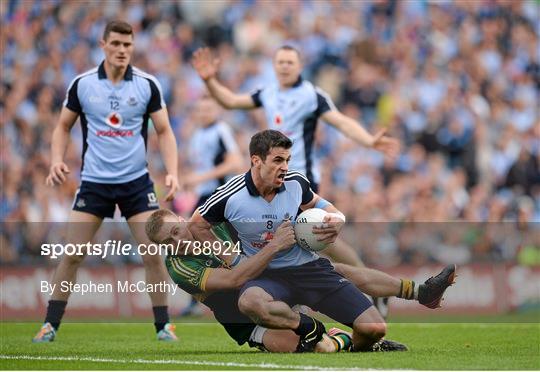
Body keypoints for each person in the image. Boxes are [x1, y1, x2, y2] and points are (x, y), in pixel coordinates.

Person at [192, 45, 399, 316]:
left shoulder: (311, 95)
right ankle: (293, 299)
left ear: (300, 66)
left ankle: (368, 288)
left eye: (290, 62)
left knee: (322, 240)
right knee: (288, 244)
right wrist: (209, 80)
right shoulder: (267, 93)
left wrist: (368, 140)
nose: (284, 66)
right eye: (280, 62)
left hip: (299, 181)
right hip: (269, 180)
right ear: (274, 65)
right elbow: (231, 101)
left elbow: (340, 121)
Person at [190, 130, 404, 352]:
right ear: (256, 160)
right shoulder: (230, 194)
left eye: (287, 160)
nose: (285, 166)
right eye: (278, 160)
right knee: (249, 302)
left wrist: (338, 218)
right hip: (266, 276)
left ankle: (346, 344)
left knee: (375, 328)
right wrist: (233, 260)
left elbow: (322, 205)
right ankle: (310, 327)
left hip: (309, 270)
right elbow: (196, 225)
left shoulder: (296, 182)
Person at [33, 21, 179, 342]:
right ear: (103, 45)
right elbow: (61, 127)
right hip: (95, 183)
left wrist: (172, 171)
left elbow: (165, 131)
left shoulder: (147, 85)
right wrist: (57, 160)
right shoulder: (83, 84)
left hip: (136, 183)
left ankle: (163, 326)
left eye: (127, 45)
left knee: (153, 253)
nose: (122, 50)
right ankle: (50, 324)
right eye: (116, 44)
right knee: (72, 254)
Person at [146, 208, 456, 352]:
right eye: (168, 242)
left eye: (177, 230)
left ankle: (420, 291)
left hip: (272, 282)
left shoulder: (215, 224)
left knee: (332, 269)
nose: (178, 241)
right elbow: (235, 279)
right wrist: (275, 246)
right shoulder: (179, 267)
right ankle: (338, 337)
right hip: (245, 318)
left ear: (183, 219)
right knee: (318, 349)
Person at [178, 94, 243, 316]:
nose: (204, 113)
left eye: (208, 109)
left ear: (216, 111)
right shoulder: (197, 134)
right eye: (200, 109)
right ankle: (198, 298)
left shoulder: (221, 130)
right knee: (193, 241)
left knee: (232, 241)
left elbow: (235, 162)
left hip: (219, 196)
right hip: (203, 195)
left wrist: (201, 177)